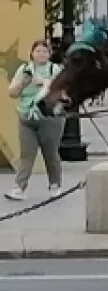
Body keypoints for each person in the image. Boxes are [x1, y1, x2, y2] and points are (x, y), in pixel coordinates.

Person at [5, 40, 66, 201]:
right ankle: (20, 187)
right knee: (26, 154)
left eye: (44, 51)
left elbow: (63, 91)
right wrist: (22, 83)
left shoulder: (55, 69)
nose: (41, 54)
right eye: (38, 51)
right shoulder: (24, 70)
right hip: (26, 116)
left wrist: (44, 82)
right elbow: (11, 93)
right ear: (32, 53)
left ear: (49, 54)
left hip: (48, 117)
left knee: (50, 153)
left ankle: (55, 184)